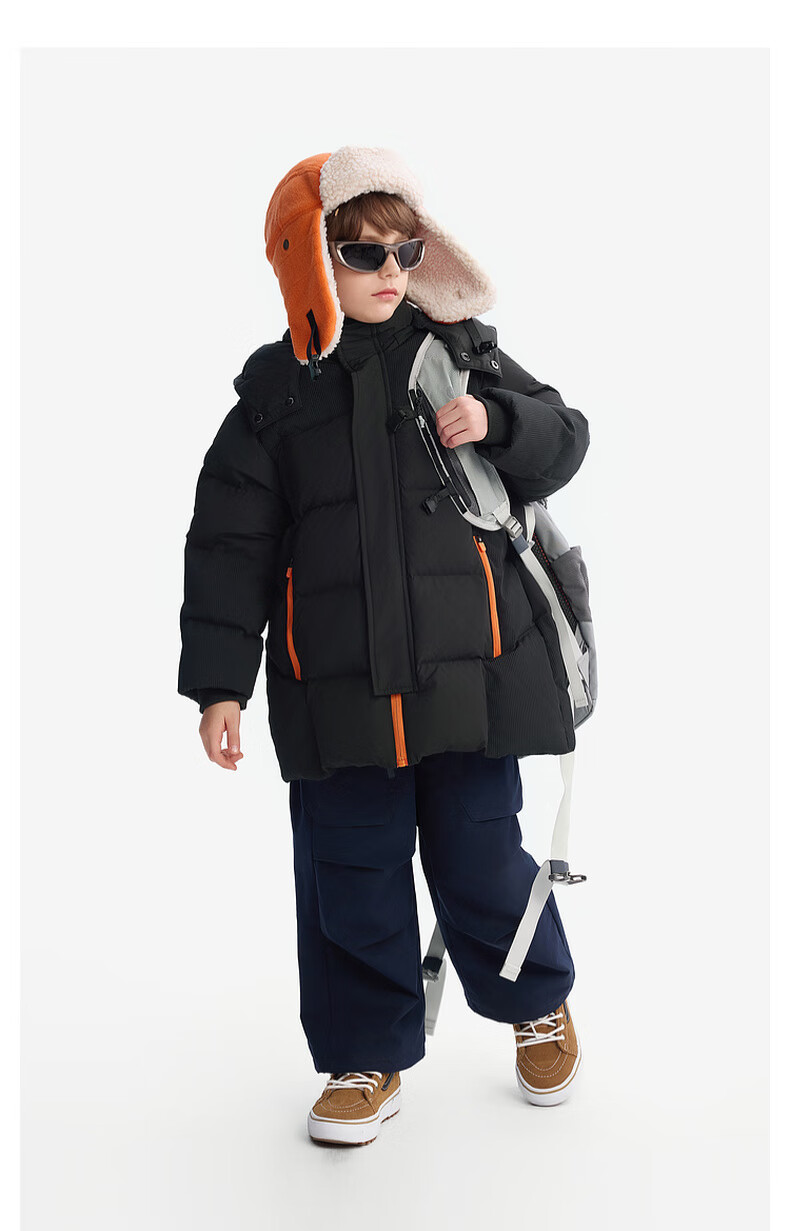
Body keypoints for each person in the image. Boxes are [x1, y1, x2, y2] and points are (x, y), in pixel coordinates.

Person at [177, 146, 590, 1148]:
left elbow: (566, 438)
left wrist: (497, 421)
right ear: (312, 263)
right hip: (339, 694)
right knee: (349, 877)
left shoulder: (463, 353)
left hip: (471, 682)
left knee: (484, 858)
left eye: (406, 250)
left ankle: (536, 999)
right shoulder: (275, 396)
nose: (391, 271)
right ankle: (364, 1055)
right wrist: (220, 685)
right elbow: (228, 545)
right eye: (364, 254)